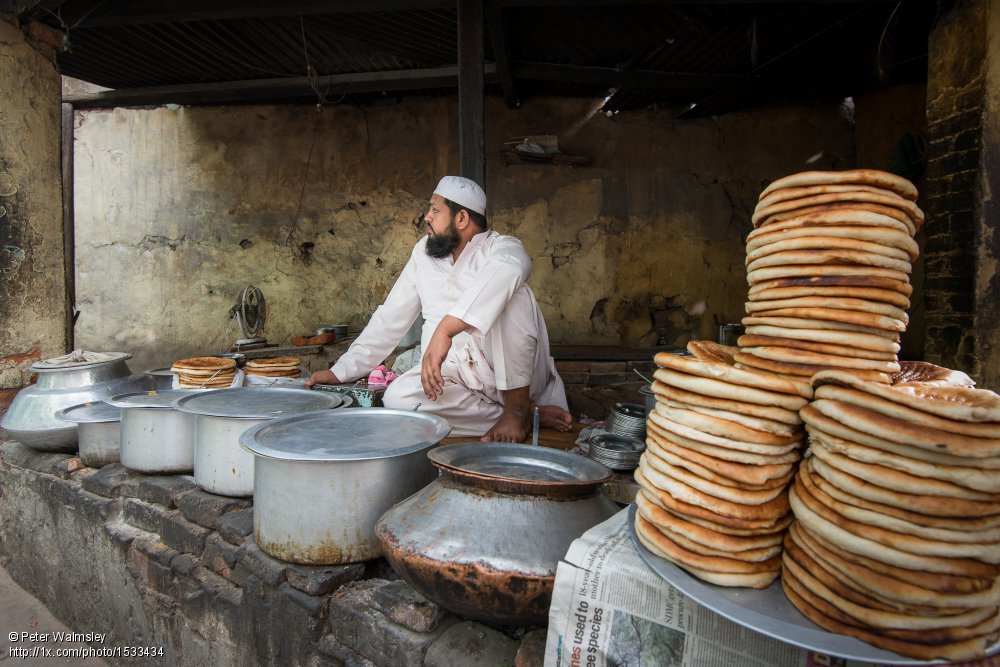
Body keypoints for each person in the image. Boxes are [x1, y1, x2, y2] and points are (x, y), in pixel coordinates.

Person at [305, 176, 573, 442]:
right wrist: (342, 370)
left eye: (435, 210)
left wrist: (446, 329)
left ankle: (517, 408)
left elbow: (514, 265)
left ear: (462, 218)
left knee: (512, 294)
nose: (427, 217)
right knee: (399, 398)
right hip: (457, 377)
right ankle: (526, 415)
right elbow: (391, 317)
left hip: (512, 378)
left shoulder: (501, 248)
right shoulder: (423, 253)